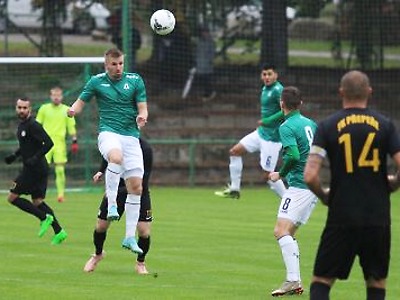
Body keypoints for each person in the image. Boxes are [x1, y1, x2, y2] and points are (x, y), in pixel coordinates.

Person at [304, 70, 400, 300]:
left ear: (341, 92)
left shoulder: (327, 126)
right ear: (369, 91)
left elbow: (309, 175)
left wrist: (325, 196)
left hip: (342, 214)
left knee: (322, 280)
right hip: (377, 216)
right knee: (376, 282)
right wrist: (393, 184)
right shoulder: (386, 125)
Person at [67, 47, 148, 255]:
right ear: (106, 65)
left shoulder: (136, 80)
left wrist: (142, 116)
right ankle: (112, 204)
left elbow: (143, 106)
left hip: (131, 137)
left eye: (121, 63)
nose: (118, 67)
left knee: (136, 187)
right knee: (115, 157)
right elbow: (80, 102)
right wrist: (72, 110)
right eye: (114, 64)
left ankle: (129, 237)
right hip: (108, 133)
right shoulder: (96, 81)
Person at [268, 86, 317, 297]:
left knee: (280, 231)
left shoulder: (287, 126)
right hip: (313, 185)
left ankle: (293, 280)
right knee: (289, 233)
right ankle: (295, 282)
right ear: (301, 104)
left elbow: (294, 156)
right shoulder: (311, 124)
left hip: (298, 186)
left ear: (281, 104)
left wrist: (280, 174)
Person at [215, 63, 286, 199]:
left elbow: (286, 110)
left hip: (272, 139)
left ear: (276, 75)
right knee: (235, 151)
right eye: (264, 74)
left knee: (268, 176)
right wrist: (264, 125)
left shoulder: (278, 90)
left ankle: (288, 201)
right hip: (261, 133)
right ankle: (235, 190)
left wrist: (267, 121)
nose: (266, 77)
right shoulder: (265, 88)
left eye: (269, 74)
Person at [83, 138, 153, 274]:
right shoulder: (115, 143)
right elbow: (110, 157)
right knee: (101, 226)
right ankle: (98, 254)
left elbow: (144, 180)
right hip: (117, 189)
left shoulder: (145, 149)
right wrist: (101, 171)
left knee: (144, 231)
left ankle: (140, 263)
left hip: (139, 191)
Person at [4, 97, 67, 245]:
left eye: (24, 108)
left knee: (12, 198)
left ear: (30, 109)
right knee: (38, 201)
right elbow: (28, 145)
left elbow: (49, 143)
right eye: (19, 107)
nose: (21, 110)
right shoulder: (22, 126)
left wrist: (35, 158)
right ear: (16, 108)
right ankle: (59, 231)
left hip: (34, 169)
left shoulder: (33, 125)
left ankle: (43, 218)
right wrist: (15, 155)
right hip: (38, 168)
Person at [36, 86, 78, 203]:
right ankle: (39, 192)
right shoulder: (44, 109)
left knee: (59, 169)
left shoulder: (66, 110)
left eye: (58, 95)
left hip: (59, 144)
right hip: (45, 143)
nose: (56, 98)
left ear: (62, 96)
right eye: (54, 95)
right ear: (50, 96)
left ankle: (60, 194)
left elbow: (71, 127)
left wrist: (74, 141)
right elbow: (37, 126)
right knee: (42, 169)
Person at [195, 26, 216, 101]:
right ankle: (208, 92)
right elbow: (197, 52)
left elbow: (212, 53)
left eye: (205, 32)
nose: (204, 34)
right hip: (199, 64)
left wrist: (210, 61)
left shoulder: (210, 42)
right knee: (202, 80)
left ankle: (209, 93)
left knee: (207, 80)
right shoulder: (199, 41)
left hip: (207, 65)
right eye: (203, 32)